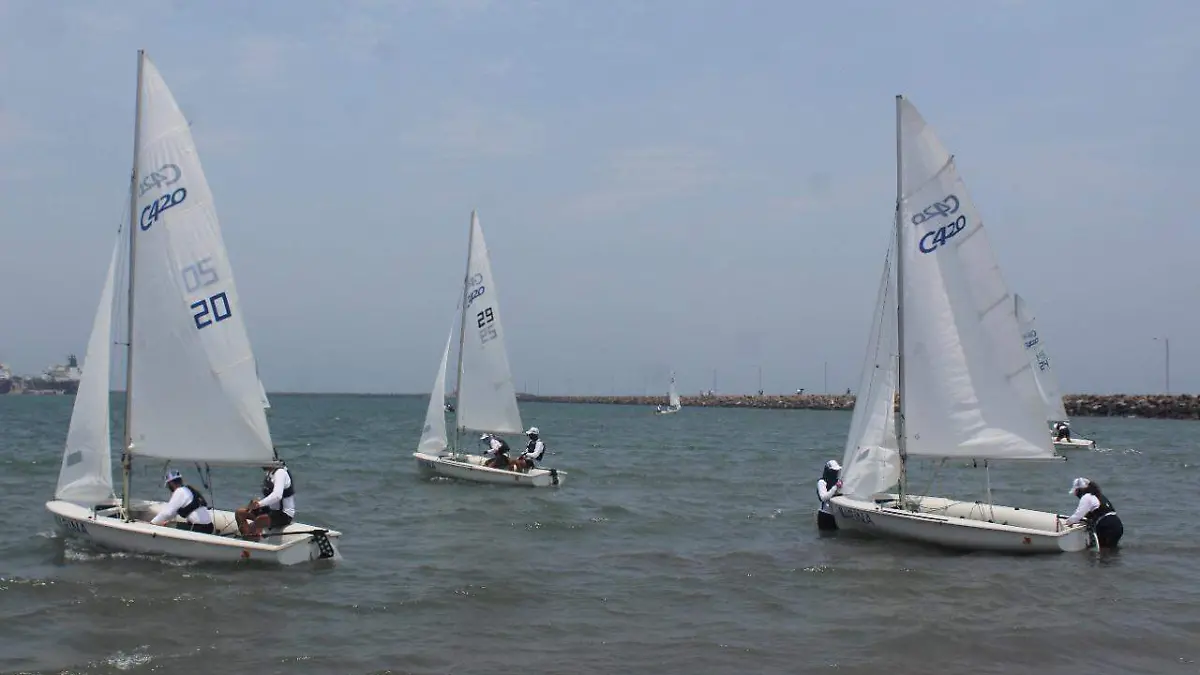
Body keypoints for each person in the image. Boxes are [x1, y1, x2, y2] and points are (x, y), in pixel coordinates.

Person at [235, 464, 296, 537]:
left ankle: (251, 541)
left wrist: (259, 504)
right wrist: (257, 501)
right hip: (270, 510)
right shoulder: (269, 472)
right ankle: (247, 538)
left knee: (260, 520)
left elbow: (277, 496)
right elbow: (270, 495)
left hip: (284, 514)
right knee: (240, 513)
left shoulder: (280, 473)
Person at [1065, 477, 1123, 549]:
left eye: (1076, 491)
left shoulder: (1087, 497)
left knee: (1103, 553)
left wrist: (1067, 523)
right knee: (1111, 551)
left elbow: (1078, 516)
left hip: (1107, 526)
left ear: (1080, 490)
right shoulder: (1098, 495)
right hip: (1117, 525)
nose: (1076, 495)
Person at [150, 470, 215, 534]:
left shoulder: (179, 491)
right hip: (209, 527)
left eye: (168, 485)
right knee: (170, 524)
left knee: (169, 527)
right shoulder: (187, 489)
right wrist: (168, 521)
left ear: (171, 483)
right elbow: (174, 511)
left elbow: (167, 513)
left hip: (199, 529)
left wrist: (152, 523)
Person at [816, 460, 843, 531]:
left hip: (837, 515)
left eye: (836, 471)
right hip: (825, 515)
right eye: (834, 471)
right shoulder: (822, 482)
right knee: (826, 539)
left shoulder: (837, 481)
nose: (835, 473)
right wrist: (835, 487)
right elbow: (823, 497)